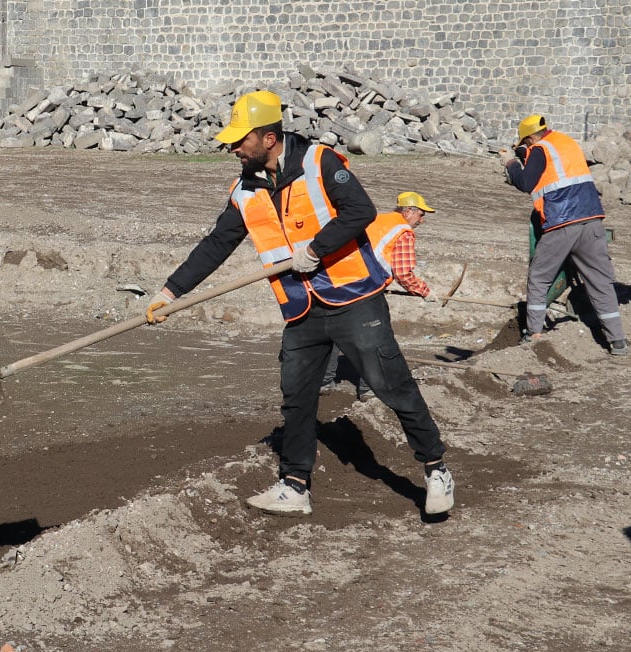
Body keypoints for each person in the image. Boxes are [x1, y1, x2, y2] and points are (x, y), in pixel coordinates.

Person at [143, 90, 454, 517]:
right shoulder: (245, 190)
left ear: (268, 139)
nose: (233, 148)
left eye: (241, 140)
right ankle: (294, 485)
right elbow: (217, 244)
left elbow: (360, 211)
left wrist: (318, 249)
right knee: (297, 397)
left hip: (355, 298)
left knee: (392, 385)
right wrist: (169, 292)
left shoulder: (319, 163)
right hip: (301, 308)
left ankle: (435, 468)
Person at [502, 114, 627, 355]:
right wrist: (521, 156)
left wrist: (510, 163)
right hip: (591, 218)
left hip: (562, 221)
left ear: (529, 138)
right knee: (600, 280)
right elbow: (553, 170)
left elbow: (526, 182)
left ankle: (533, 333)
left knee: (539, 276)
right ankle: (618, 340)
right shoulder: (566, 142)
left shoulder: (539, 148)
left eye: (525, 143)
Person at [322, 191, 439, 400]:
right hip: (366, 287)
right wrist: (424, 291)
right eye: (421, 214)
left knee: (336, 332)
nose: (422, 220)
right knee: (375, 336)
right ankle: (370, 389)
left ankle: (324, 380)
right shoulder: (403, 231)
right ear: (409, 211)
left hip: (341, 281)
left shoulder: (376, 219)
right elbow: (403, 272)